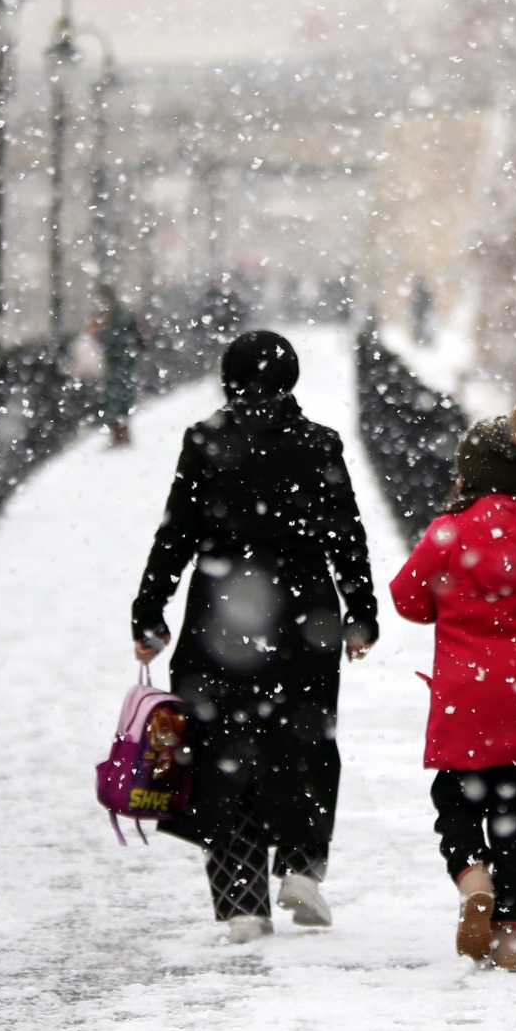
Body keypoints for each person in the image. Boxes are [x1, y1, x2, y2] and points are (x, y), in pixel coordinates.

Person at [131, 329, 378, 943]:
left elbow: (176, 532)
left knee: (222, 750)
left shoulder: (205, 442)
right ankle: (300, 866)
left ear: (228, 379)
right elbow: (346, 534)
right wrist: (361, 611)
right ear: (289, 379)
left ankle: (242, 899)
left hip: (220, 618)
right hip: (304, 618)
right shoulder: (318, 444)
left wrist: (150, 610)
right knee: (306, 739)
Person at [390, 400, 516, 970]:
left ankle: (471, 872)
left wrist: (451, 612)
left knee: (455, 797)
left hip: (464, 693)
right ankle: (509, 927)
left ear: (468, 473)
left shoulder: (449, 533)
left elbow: (407, 598)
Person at [91, 284, 142, 446]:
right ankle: (118, 435)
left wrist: (100, 331)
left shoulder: (118, 314)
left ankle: (121, 436)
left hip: (121, 363)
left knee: (119, 399)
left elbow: (114, 337)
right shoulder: (113, 313)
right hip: (118, 363)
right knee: (115, 398)